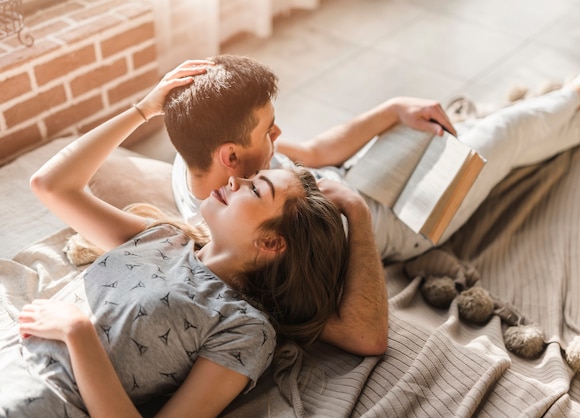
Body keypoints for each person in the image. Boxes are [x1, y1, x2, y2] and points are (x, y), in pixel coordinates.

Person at [165, 50, 580, 357]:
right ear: (230, 156)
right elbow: (360, 333)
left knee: (439, 128)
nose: (278, 137)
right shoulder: (232, 235)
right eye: (268, 130)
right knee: (497, 138)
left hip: (358, 176)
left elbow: (319, 152)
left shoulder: (222, 175)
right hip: (403, 222)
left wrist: (392, 110)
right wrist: (355, 213)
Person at [1, 61, 349, 417]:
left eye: (256, 188)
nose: (234, 182)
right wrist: (143, 110)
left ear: (272, 243)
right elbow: (51, 185)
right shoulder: (164, 237)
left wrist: (78, 334)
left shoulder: (246, 328)